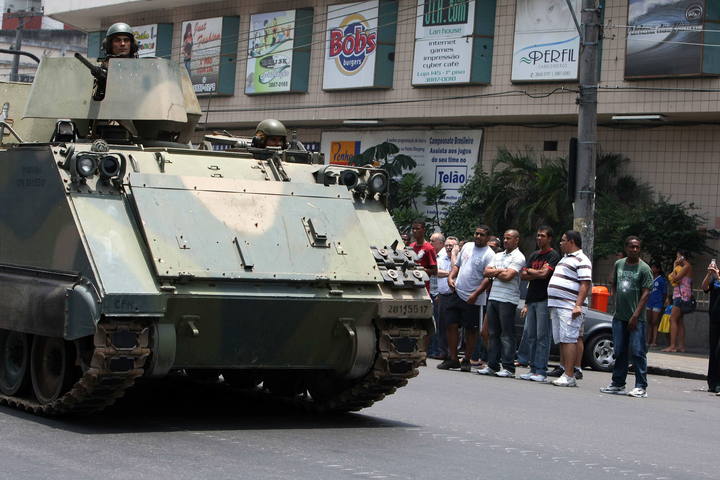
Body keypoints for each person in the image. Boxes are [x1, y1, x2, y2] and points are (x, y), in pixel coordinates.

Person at [600, 236, 653, 398]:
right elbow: (613, 282)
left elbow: (646, 293)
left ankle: (641, 386)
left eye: (637, 247)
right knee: (620, 351)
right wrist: (615, 299)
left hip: (637, 319)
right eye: (631, 247)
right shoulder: (619, 264)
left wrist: (635, 315)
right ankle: (618, 383)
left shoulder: (644, 269)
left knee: (637, 352)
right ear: (626, 248)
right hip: (620, 317)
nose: (634, 250)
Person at [438, 225, 494, 372]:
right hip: (457, 292)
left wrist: (476, 294)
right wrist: (450, 277)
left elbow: (488, 278)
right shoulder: (468, 246)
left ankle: (467, 360)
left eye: (482, 235)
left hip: (473, 297)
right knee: (451, 325)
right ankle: (453, 358)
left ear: (487, 238)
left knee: (471, 330)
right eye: (476, 233)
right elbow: (457, 266)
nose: (478, 236)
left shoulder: (489, 254)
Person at [477, 229, 525, 377]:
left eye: (509, 238)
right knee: (493, 333)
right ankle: (492, 365)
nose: (505, 241)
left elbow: (508, 276)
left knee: (506, 334)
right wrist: (500, 271)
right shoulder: (497, 255)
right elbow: (485, 272)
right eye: (504, 238)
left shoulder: (519, 257)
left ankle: (509, 367)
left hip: (508, 299)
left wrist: (496, 271)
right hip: (493, 297)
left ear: (516, 240)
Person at [547, 230, 592, 387]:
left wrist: (577, 305)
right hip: (558, 304)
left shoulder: (581, 259)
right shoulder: (565, 258)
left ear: (571, 242)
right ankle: (564, 370)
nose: (560, 243)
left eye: (563, 240)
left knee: (569, 338)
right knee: (562, 339)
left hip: (570, 305)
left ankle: (569, 375)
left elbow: (585, 284)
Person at [517, 226, 561, 382]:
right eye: (538, 236)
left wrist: (531, 272)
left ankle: (541, 370)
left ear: (549, 238)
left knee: (542, 336)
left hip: (544, 299)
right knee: (531, 335)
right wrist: (533, 272)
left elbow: (544, 275)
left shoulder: (553, 255)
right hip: (532, 299)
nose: (539, 238)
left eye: (542, 236)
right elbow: (522, 275)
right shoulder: (534, 255)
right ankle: (533, 368)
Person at [408, 220, 438, 365]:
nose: (414, 231)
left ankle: (423, 354)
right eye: (413, 229)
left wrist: (420, 270)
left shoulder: (428, 248)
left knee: (424, 323)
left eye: (417, 229)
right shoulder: (410, 247)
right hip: (410, 289)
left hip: (423, 290)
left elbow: (434, 270)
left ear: (423, 230)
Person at [433, 236, 459, 360]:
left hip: (454, 296)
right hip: (442, 295)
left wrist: (454, 256)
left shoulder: (459, 259)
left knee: (452, 326)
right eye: (447, 245)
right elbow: (436, 272)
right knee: (441, 325)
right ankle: (442, 351)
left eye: (452, 246)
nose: (449, 248)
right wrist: (451, 274)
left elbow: (457, 271)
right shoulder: (440, 258)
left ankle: (452, 352)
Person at [663, 250, 693, 352]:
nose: (676, 259)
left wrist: (674, 264)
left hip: (681, 296)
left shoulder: (686, 266)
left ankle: (672, 346)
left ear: (682, 257)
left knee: (673, 319)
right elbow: (674, 277)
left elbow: (675, 278)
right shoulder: (685, 267)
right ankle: (681, 346)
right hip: (681, 295)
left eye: (678, 256)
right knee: (679, 321)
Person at [700, 258, 720, 394]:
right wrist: (709, 274)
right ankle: (712, 383)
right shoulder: (715, 279)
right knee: (713, 351)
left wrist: (718, 276)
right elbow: (704, 287)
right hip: (715, 318)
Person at [427, 232, 446, 359]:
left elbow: (438, 272)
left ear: (440, 242)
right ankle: (432, 349)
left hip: (440, 293)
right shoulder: (433, 255)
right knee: (433, 323)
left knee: (439, 324)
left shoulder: (444, 256)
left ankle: (439, 350)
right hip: (432, 291)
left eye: (433, 241)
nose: (430, 243)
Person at [646, 261, 668, 347]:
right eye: (651, 267)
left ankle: (654, 341)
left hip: (657, 303)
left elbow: (664, 293)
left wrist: (662, 302)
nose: (652, 269)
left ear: (658, 269)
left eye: (654, 267)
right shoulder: (649, 278)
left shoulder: (661, 280)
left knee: (655, 322)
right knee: (649, 322)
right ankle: (648, 340)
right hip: (649, 302)